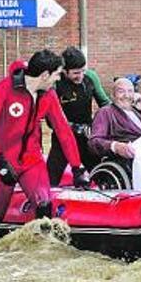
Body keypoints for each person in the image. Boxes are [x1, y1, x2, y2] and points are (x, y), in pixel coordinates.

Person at [0, 50, 90, 251]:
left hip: (31, 160)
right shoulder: (5, 89)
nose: (57, 79)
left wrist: (77, 166)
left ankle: (39, 258)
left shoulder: (49, 95)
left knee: (45, 205)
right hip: (3, 160)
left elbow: (63, 131)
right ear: (45, 75)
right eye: (56, 75)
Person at [46, 46, 111, 186]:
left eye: (83, 71)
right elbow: (50, 121)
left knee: (102, 176)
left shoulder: (90, 77)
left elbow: (105, 104)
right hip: (62, 138)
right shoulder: (56, 83)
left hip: (86, 136)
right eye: (76, 73)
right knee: (51, 179)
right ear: (64, 71)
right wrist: (75, 127)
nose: (80, 76)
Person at [89, 77, 141, 161]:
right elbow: (94, 142)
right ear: (112, 95)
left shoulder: (139, 110)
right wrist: (115, 146)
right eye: (121, 91)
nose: (126, 95)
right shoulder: (106, 112)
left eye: (130, 91)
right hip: (131, 160)